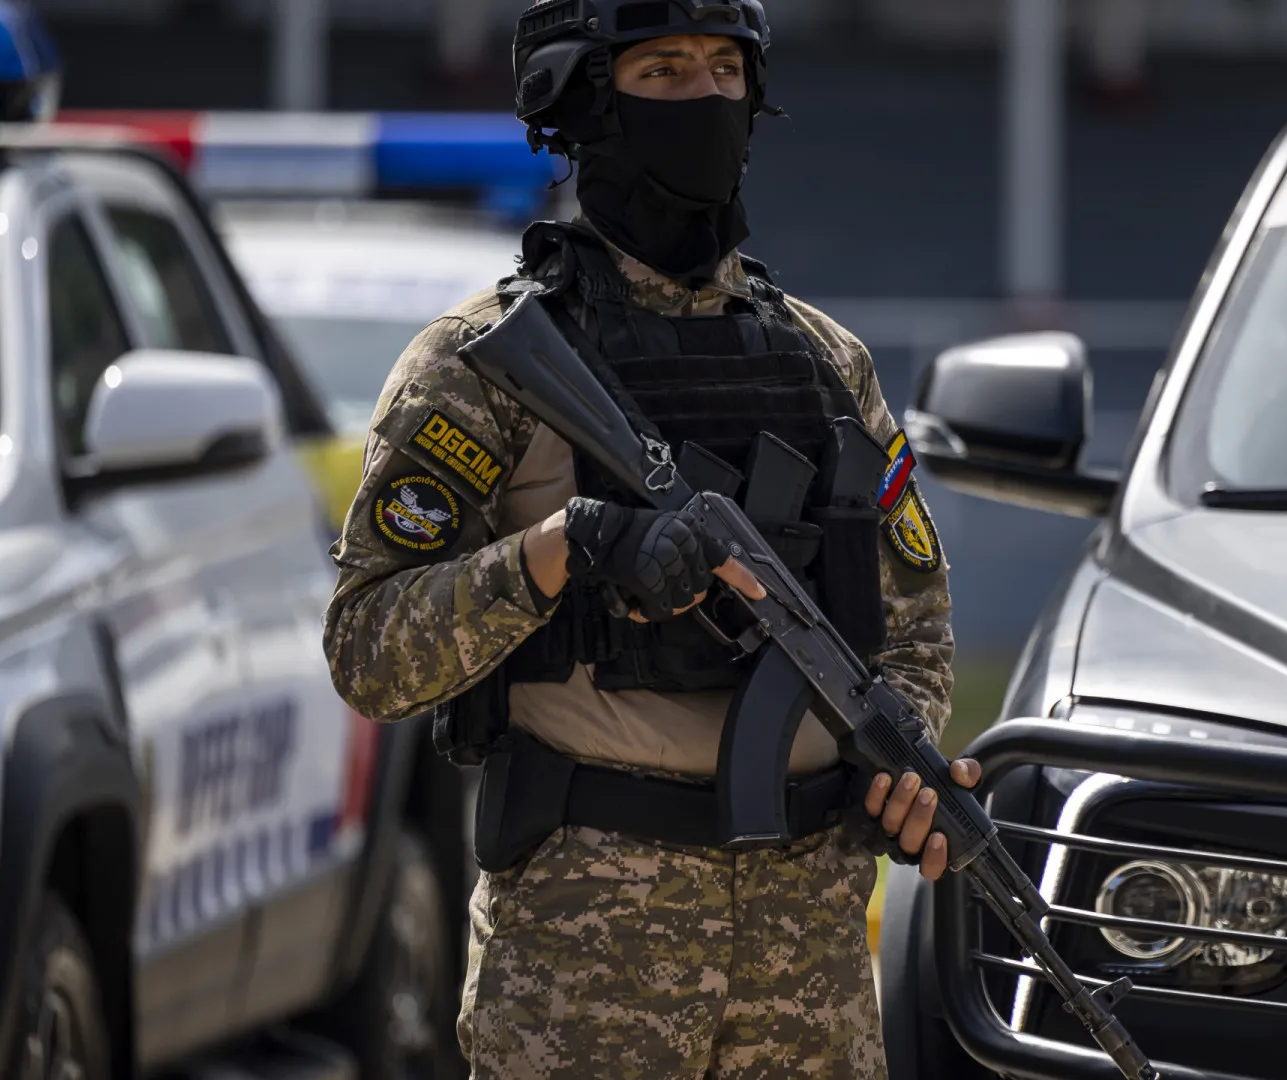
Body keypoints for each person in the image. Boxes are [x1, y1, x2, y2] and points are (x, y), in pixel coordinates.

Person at [321, 2, 978, 1076]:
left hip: (807, 959)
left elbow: (914, 629)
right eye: (664, 71)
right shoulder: (484, 363)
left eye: (725, 70)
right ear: (586, 102)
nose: (704, 97)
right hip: (588, 951)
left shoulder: (828, 363)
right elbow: (369, 651)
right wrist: (561, 550)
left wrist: (897, 768)